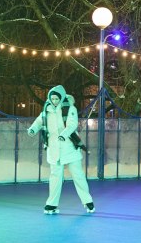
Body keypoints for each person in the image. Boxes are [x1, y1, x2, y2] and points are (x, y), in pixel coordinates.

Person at [27, 85, 94, 214]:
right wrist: (33, 129)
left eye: (57, 99)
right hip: (54, 148)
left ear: (61, 97)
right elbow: (39, 121)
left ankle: (88, 201)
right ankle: (52, 204)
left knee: (78, 175)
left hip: (69, 147)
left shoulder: (70, 108)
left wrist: (64, 134)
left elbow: (72, 124)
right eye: (52, 98)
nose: (54, 101)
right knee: (55, 177)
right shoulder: (47, 109)